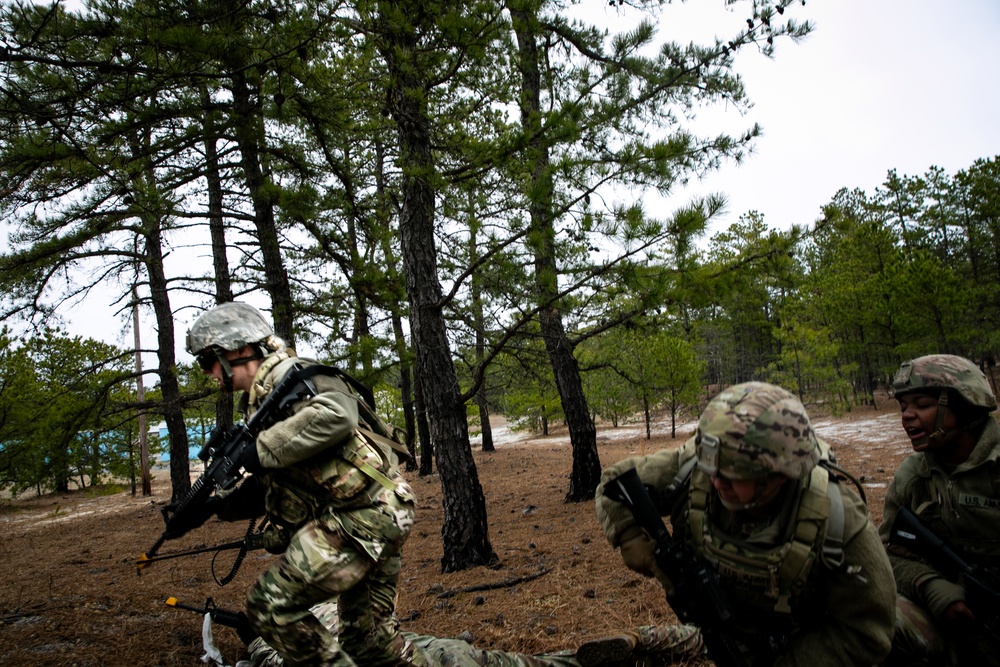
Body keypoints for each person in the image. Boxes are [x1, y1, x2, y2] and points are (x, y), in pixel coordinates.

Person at [186, 301, 427, 667]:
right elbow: (283, 485)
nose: (207, 373)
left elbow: (338, 414)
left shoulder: (294, 375)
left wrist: (258, 451)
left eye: (207, 361)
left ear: (236, 350)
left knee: (270, 605)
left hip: (366, 514)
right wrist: (218, 506)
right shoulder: (261, 402)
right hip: (377, 511)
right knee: (370, 645)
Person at [595, 381, 896, 666]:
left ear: (781, 473)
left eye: (735, 475)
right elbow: (613, 483)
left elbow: (867, 632)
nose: (717, 481)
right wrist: (631, 537)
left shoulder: (839, 517)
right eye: (712, 468)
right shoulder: (697, 468)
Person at [878, 354, 1000, 667]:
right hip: (950, 621)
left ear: (963, 405)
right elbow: (884, 555)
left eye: (921, 404)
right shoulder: (912, 476)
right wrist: (930, 586)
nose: (907, 416)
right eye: (903, 407)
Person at [243, 601, 704, 667]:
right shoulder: (342, 605)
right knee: (553, 664)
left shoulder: (272, 649)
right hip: (435, 653)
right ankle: (652, 641)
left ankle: (647, 645)